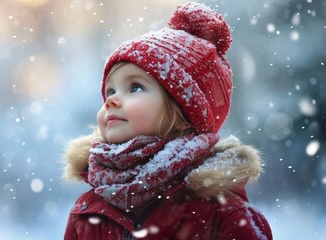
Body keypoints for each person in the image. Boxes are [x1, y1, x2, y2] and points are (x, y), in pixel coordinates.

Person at [62, 2, 272, 240]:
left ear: (184, 113)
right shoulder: (88, 211)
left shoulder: (223, 215)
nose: (112, 100)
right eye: (110, 91)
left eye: (135, 87)